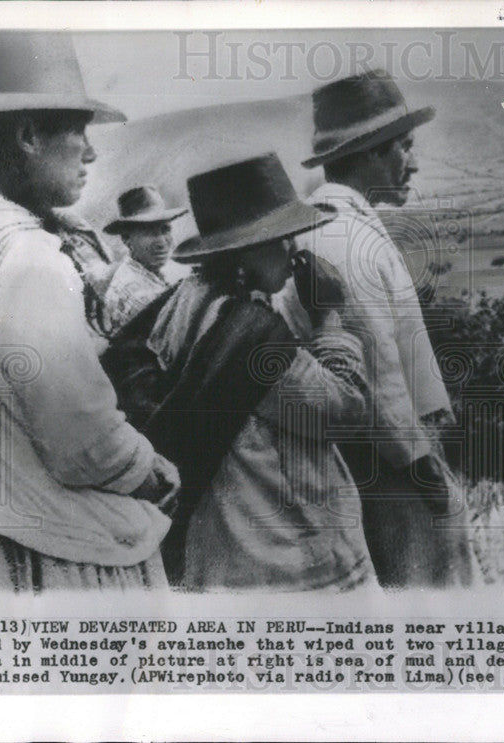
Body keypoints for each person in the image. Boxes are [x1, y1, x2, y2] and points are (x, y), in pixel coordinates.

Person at [0, 31, 178, 591]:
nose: (91, 153)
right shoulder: (29, 259)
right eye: (78, 132)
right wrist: (151, 471)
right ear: (28, 135)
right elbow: (83, 444)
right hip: (50, 553)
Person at [144, 153, 376, 591]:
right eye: (280, 238)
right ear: (243, 249)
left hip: (219, 556)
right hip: (285, 562)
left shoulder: (183, 303)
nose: (292, 251)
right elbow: (345, 412)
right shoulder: (252, 337)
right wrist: (328, 319)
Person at [299, 69, 474, 587]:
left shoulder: (340, 224)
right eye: (404, 147)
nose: (413, 162)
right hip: (385, 468)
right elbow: (377, 383)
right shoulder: (342, 236)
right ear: (372, 152)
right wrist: (426, 475)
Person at [100, 186, 188, 330]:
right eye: (149, 232)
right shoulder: (134, 292)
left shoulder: (147, 273)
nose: (161, 242)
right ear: (127, 239)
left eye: (165, 230)